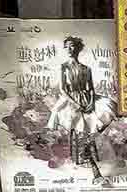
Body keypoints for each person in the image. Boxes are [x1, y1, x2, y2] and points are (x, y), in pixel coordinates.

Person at [47, 36, 118, 181]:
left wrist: (91, 102)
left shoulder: (86, 69)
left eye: (72, 46)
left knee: (110, 108)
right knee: (79, 125)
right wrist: (76, 104)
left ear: (78, 48)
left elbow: (91, 88)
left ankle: (87, 146)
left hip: (87, 99)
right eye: (66, 46)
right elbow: (63, 90)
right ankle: (87, 154)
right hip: (70, 100)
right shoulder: (64, 67)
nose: (69, 49)